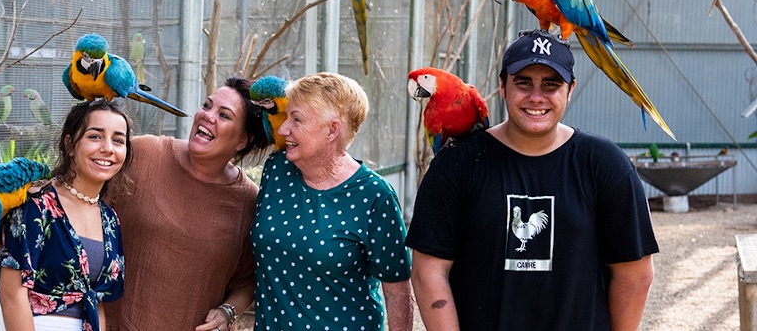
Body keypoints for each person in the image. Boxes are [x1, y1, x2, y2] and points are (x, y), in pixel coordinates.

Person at [406, 29, 658, 330]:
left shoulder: (605, 164)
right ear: (502, 86)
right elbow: (428, 271)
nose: (536, 97)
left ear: (570, 89)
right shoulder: (456, 163)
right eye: (523, 83)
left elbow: (636, 274)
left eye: (550, 85)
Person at [103, 76, 272, 331]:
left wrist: (227, 312)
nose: (208, 116)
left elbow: (247, 281)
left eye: (224, 115)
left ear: (242, 140)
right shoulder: (143, 153)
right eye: (207, 105)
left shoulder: (248, 202)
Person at [250, 72, 415, 331]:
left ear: (332, 130)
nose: (282, 129)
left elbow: (398, 293)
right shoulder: (276, 170)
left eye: (297, 119)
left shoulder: (374, 196)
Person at [0, 99, 133, 331]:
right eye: (95, 136)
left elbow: (97, 303)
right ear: (70, 144)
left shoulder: (110, 220)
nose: (108, 148)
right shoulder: (35, 204)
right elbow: (12, 296)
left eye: (118, 140)